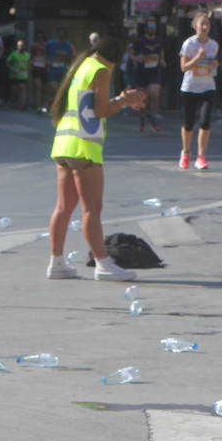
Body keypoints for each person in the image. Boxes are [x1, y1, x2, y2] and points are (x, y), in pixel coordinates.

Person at [46, 33, 148, 282]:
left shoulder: (82, 65)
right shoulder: (102, 70)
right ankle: (104, 264)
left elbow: (88, 106)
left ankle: (56, 263)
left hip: (63, 143)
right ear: (116, 57)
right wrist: (124, 101)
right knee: (91, 208)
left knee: (63, 207)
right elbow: (101, 110)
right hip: (85, 148)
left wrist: (119, 100)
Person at [177, 12, 219, 171]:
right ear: (195, 26)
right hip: (190, 87)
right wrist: (197, 57)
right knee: (188, 124)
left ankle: (201, 157)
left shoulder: (213, 45)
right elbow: (184, 67)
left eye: (207, 24)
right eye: (202, 24)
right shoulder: (189, 44)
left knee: (205, 122)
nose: (204, 27)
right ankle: (186, 152)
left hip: (208, 86)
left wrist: (214, 64)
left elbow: (211, 65)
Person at [130, 21, 165, 132]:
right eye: (150, 27)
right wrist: (136, 58)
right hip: (141, 72)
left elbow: (162, 53)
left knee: (154, 93)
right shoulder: (139, 41)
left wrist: (162, 60)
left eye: (154, 26)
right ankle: (142, 119)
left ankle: (153, 117)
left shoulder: (159, 40)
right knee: (142, 98)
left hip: (154, 71)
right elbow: (130, 53)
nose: (152, 28)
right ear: (145, 29)